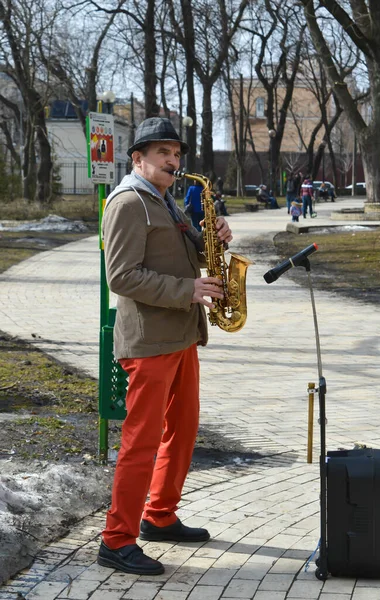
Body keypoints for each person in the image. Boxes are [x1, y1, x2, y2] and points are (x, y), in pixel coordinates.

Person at [98, 117, 233, 576]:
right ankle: (116, 540)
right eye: (163, 154)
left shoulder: (165, 200)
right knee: (142, 441)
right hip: (149, 340)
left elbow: (185, 255)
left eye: (176, 154)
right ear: (138, 159)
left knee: (184, 427)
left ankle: (159, 515)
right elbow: (122, 276)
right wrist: (189, 291)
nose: (173, 162)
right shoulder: (128, 202)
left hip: (180, 335)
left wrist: (211, 241)